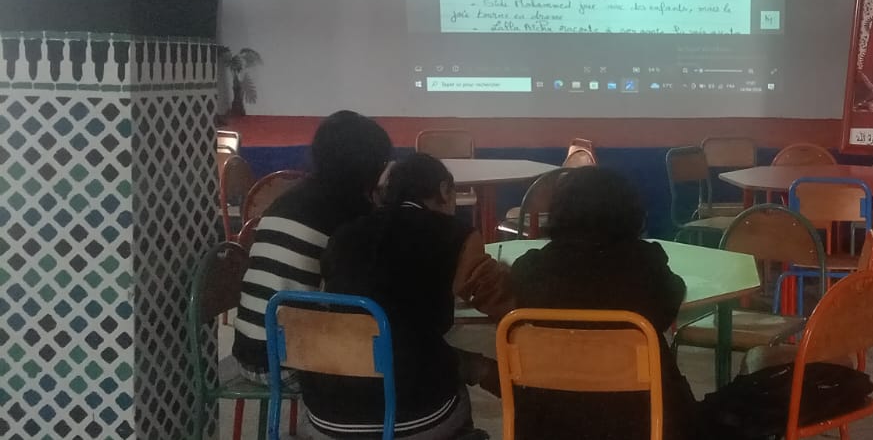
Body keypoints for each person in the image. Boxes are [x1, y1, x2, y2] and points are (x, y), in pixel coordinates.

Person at [299, 154, 513, 438]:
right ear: (444, 190)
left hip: (327, 411)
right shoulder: (456, 234)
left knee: (430, 353)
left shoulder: (344, 234)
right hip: (409, 411)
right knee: (452, 368)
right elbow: (499, 300)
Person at [507, 167, 700, 440]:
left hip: (548, 423)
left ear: (560, 212)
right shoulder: (645, 263)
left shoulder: (530, 269)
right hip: (641, 421)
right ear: (629, 212)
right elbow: (667, 309)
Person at [232, 110, 393, 382]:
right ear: (371, 167)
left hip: (247, 350)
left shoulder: (289, 198)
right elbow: (368, 291)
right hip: (286, 361)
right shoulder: (352, 216)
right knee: (392, 351)